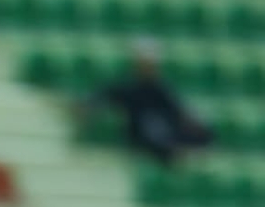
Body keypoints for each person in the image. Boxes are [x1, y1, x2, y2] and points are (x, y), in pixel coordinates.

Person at [79, 38, 213, 166]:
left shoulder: (161, 89)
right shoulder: (128, 87)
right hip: (141, 134)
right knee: (156, 138)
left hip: (164, 131)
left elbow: (178, 112)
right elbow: (103, 97)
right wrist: (87, 108)